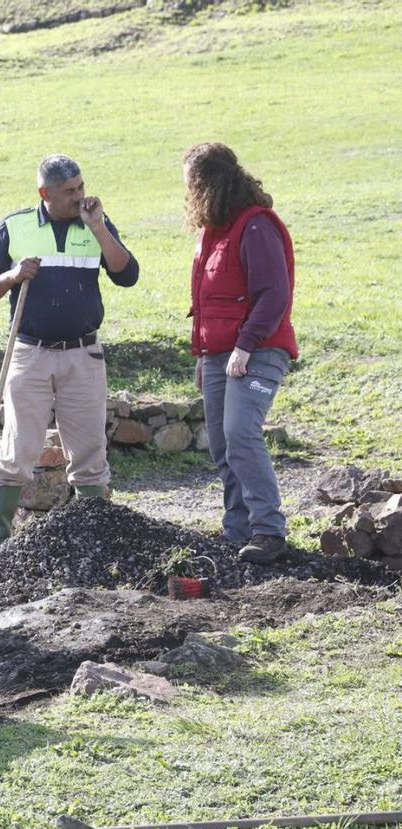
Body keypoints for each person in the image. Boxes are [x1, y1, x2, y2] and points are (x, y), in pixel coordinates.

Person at [0, 154, 139, 548]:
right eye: (69, 191)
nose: (79, 196)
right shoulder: (15, 226)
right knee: (18, 449)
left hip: (84, 355)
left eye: (81, 187)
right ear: (44, 193)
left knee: (90, 453)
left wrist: (98, 228)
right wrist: (13, 275)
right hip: (30, 354)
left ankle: (92, 541)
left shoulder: (96, 222)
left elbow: (127, 275)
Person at [183, 143, 297, 564]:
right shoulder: (213, 232)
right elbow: (207, 298)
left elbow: (274, 294)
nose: (188, 194)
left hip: (257, 350)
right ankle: (238, 531)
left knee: (240, 433)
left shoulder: (256, 227)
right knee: (222, 443)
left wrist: (245, 346)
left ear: (208, 184)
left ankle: (268, 530)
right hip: (218, 355)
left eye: (191, 185)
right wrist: (203, 354)